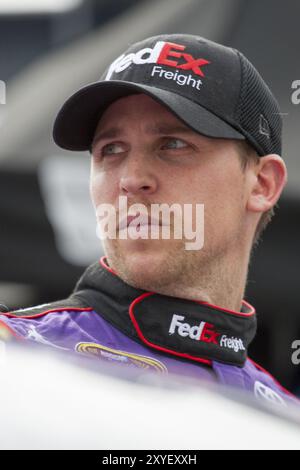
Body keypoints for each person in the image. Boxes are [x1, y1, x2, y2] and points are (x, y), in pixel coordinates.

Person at [0, 34, 297, 406]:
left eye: (173, 144)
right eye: (111, 150)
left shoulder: (282, 420)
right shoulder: (14, 360)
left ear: (262, 184)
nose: (130, 179)